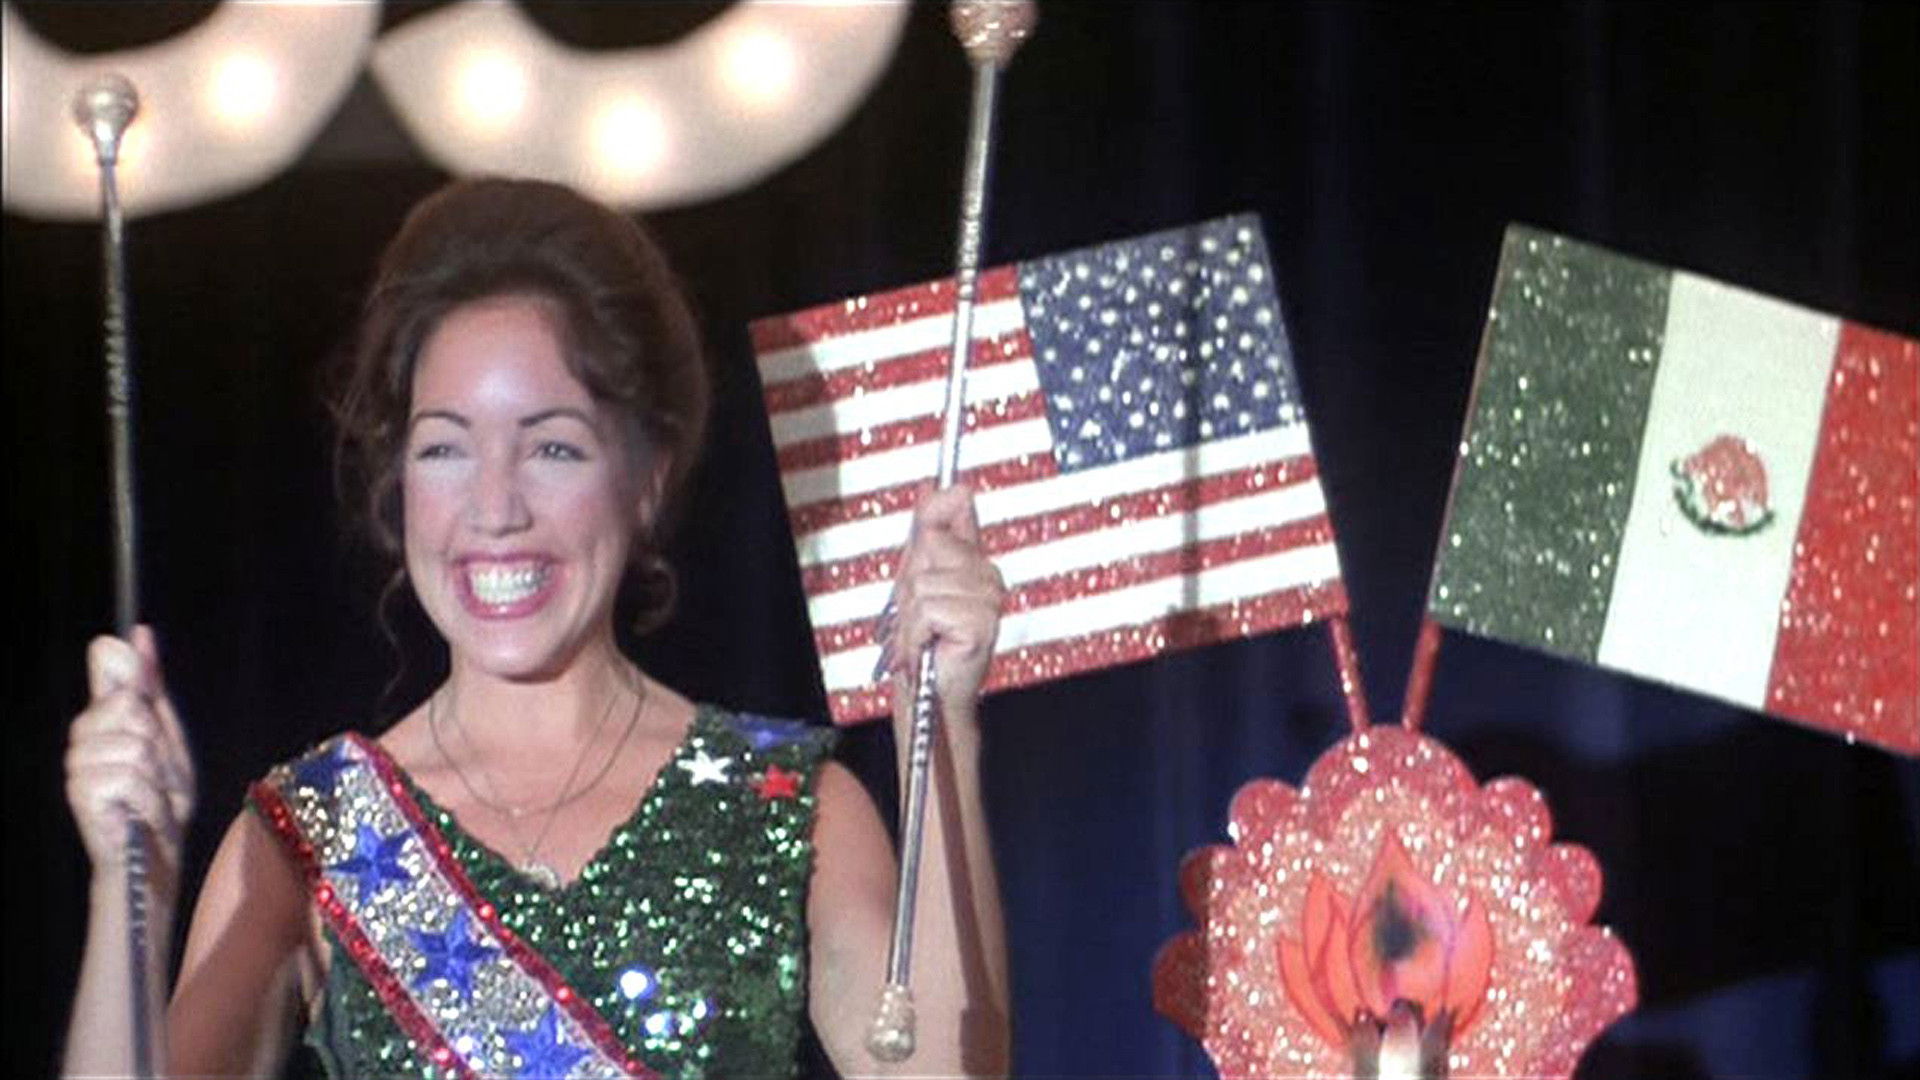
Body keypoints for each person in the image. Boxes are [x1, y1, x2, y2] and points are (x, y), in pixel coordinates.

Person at [61, 178, 1010, 1078]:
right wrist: (130, 889)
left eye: (553, 447)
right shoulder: (312, 835)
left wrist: (942, 723)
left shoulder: (789, 805)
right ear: (399, 484)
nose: (495, 508)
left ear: (647, 477)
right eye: (444, 449)